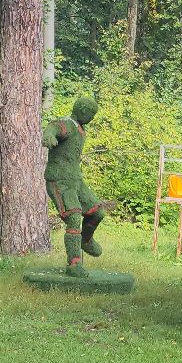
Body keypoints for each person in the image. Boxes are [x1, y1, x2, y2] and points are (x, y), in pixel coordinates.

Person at [45, 95, 110, 275]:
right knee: (73, 217)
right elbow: (54, 127)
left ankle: (86, 240)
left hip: (76, 180)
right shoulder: (68, 125)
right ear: (82, 111)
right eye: (91, 114)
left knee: (98, 212)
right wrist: (49, 136)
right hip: (59, 180)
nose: (92, 118)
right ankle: (74, 264)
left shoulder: (81, 129)